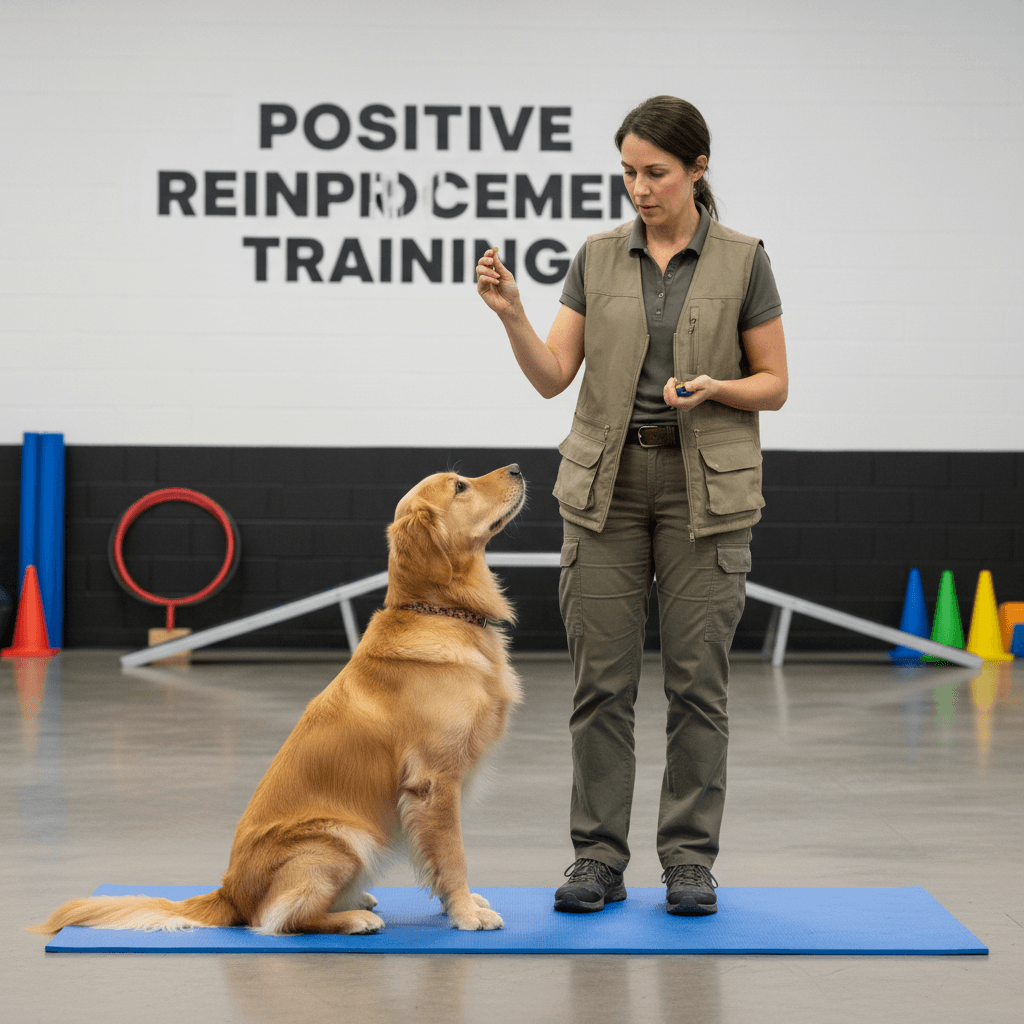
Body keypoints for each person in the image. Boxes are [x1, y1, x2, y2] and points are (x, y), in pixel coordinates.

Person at [475, 95, 788, 916]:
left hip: (704, 493)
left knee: (698, 688)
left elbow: (776, 385)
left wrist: (721, 389)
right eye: (627, 172)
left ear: (697, 169)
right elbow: (552, 376)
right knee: (601, 687)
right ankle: (597, 862)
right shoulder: (596, 256)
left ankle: (688, 862)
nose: (639, 189)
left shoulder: (745, 259)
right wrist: (512, 314)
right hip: (604, 492)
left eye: (655, 173)